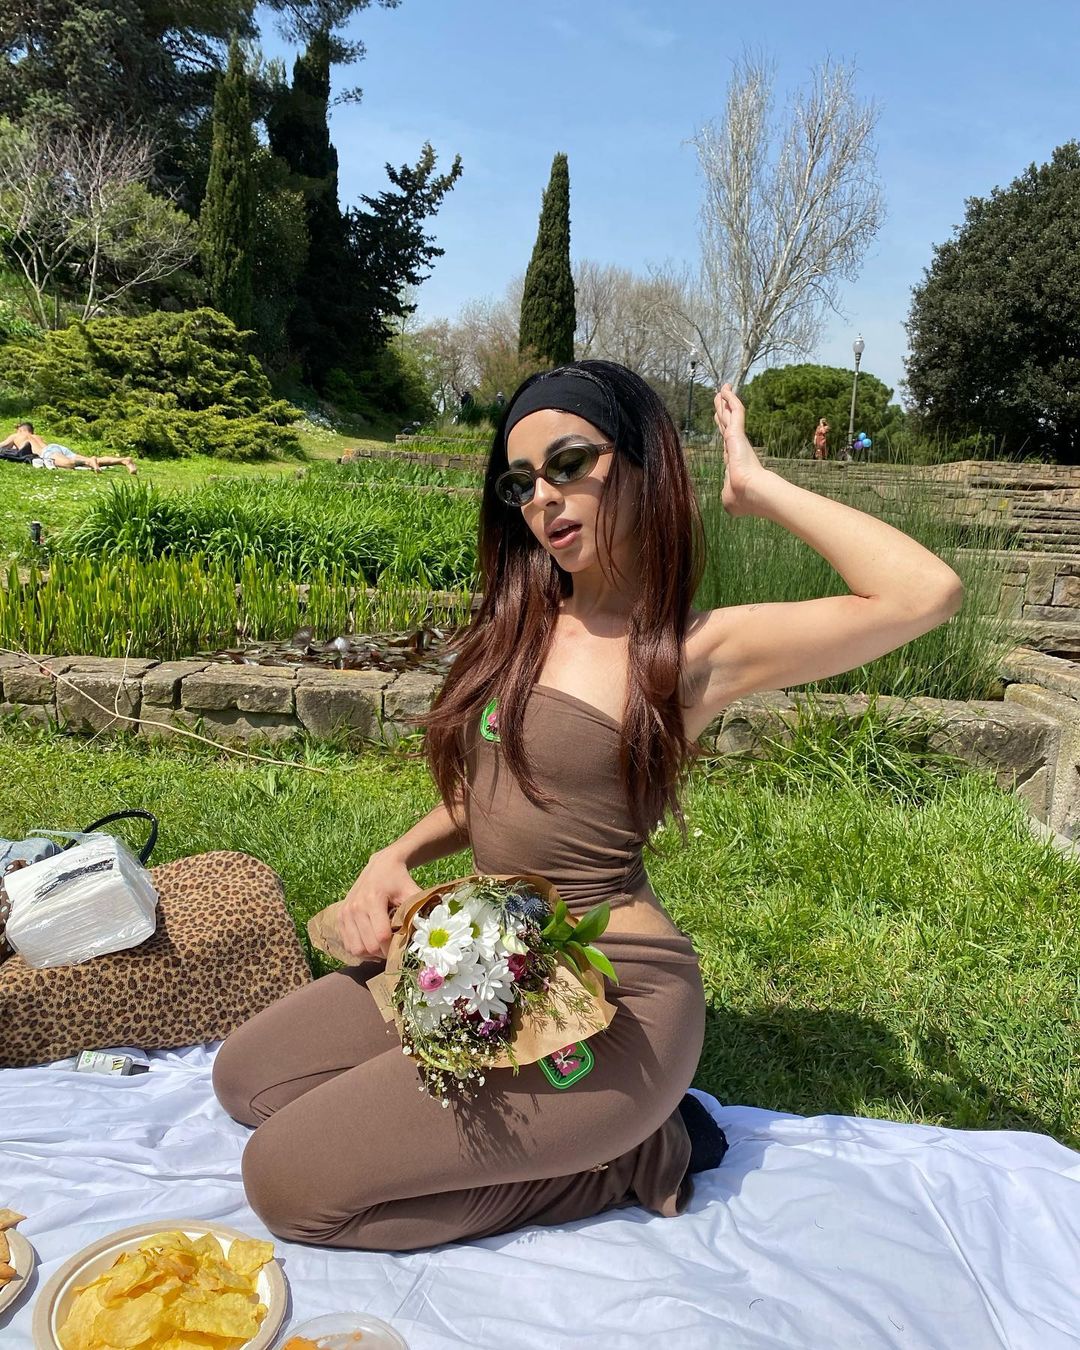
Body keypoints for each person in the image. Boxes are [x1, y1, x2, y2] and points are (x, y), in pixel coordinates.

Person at [212, 360, 964, 1253]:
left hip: (613, 1002)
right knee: (247, 1081)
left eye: (569, 463)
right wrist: (394, 856)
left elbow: (926, 594)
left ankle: (629, 1153)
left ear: (642, 462)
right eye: (521, 482)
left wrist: (758, 488)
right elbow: (500, 792)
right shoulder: (528, 623)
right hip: (483, 951)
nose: (543, 498)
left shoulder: (689, 650)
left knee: (286, 1184)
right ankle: (507, 1106)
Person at [0, 421, 137, 474]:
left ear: (20, 429)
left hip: (48, 452)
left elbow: (3, 446)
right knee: (88, 460)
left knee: (68, 464)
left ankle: (90, 461)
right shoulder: (37, 436)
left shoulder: (17, 435)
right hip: (55, 447)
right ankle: (124, 460)